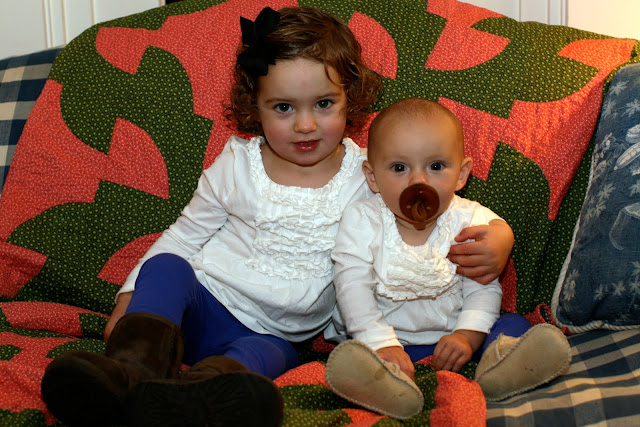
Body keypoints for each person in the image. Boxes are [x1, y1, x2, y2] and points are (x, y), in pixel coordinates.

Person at [40, 7, 516, 427]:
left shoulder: (370, 173)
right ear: (256, 107)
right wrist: (129, 301)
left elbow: (441, 218)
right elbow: (181, 238)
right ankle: (128, 373)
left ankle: (199, 397)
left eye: (323, 104)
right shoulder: (236, 167)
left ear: (350, 98)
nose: (305, 125)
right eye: (284, 107)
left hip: (276, 335)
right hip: (202, 304)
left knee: (269, 358)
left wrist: (501, 238)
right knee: (167, 268)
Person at [324, 98, 571, 419]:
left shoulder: (469, 220)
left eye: (436, 167)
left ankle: (502, 368)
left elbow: (483, 286)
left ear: (461, 174)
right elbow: (351, 287)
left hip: (455, 338)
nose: (418, 182)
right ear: (372, 177)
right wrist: (380, 342)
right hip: (385, 341)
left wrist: (467, 336)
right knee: (354, 354)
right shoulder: (362, 220)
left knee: (513, 325)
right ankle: (384, 384)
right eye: (399, 168)